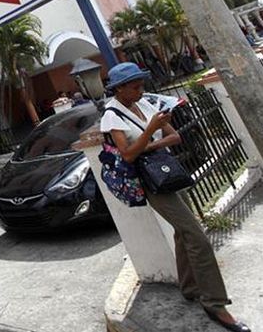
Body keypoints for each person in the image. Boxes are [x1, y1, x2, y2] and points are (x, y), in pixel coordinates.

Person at [101, 62, 250, 332]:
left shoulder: (146, 104)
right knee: (197, 236)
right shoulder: (112, 116)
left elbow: (175, 137)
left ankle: (190, 287)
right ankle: (215, 303)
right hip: (151, 182)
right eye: (134, 86)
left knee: (183, 232)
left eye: (141, 85)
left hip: (167, 173)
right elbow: (128, 154)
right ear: (119, 89)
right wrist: (150, 132)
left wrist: (152, 139)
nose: (140, 90)